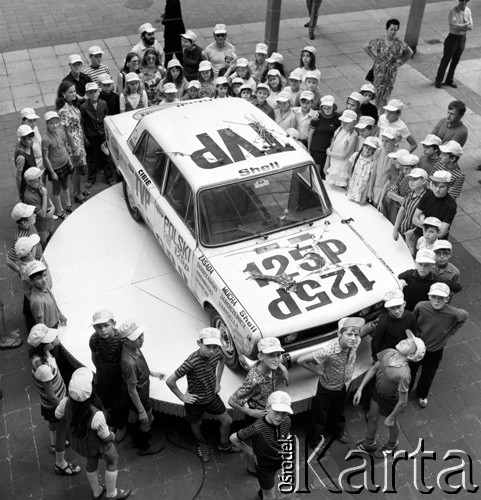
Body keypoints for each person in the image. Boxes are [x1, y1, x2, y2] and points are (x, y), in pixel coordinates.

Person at [55, 367, 131, 500]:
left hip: (82, 444)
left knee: (91, 462)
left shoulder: (65, 402)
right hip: (99, 446)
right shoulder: (96, 414)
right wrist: (113, 436)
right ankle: (111, 494)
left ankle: (97, 492)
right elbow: (105, 436)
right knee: (112, 460)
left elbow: (58, 415)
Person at [166, 327, 239, 462]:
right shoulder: (191, 362)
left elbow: (222, 360)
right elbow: (170, 381)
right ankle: (201, 442)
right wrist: (183, 397)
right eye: (208, 346)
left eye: (215, 347)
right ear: (199, 343)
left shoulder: (217, 353)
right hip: (195, 401)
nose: (211, 351)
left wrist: (218, 381)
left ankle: (224, 445)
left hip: (211, 396)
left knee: (227, 420)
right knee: (196, 423)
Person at [353, 330, 425, 457]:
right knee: (372, 417)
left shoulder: (404, 374)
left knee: (391, 424)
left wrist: (391, 417)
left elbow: (403, 401)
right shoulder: (389, 352)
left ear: (411, 356)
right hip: (377, 393)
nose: (405, 341)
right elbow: (374, 368)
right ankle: (369, 442)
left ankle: (392, 444)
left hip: (391, 401)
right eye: (407, 339)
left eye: (409, 344)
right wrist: (360, 388)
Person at [299, 317, 365, 447]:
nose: (353, 338)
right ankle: (314, 441)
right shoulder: (328, 351)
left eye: (356, 334)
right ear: (339, 334)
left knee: (339, 410)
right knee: (320, 416)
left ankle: (337, 431)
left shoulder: (356, 343)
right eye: (349, 334)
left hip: (345, 384)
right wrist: (318, 371)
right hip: (327, 387)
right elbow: (301, 360)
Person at [27, 323, 81, 476]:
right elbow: (51, 395)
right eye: (51, 340)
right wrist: (64, 407)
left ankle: (53, 443)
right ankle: (60, 463)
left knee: (52, 424)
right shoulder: (44, 369)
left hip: (48, 405)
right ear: (43, 346)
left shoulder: (37, 355)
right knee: (62, 431)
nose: (54, 340)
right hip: (55, 405)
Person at [412, 282, 468, 407]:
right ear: (429, 296)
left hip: (435, 350)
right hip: (417, 346)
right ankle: (404, 391)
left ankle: (422, 394)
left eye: (441, 298)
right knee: (410, 370)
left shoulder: (453, 313)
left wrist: (449, 333)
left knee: (428, 374)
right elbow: (413, 321)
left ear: (447, 299)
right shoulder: (421, 306)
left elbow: (464, 316)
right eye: (434, 297)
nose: (437, 300)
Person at [230, 391, 293, 500]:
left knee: (269, 484)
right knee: (270, 496)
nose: (279, 417)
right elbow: (233, 438)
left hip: (278, 460)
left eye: (284, 413)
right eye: (276, 411)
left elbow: (286, 434)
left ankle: (263, 491)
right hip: (264, 465)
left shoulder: (287, 420)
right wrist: (250, 451)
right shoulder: (257, 428)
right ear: (268, 407)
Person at [119, 319, 165, 455]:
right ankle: (144, 446)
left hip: (133, 392)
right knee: (148, 419)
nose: (141, 339)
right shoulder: (129, 363)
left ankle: (135, 437)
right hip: (139, 394)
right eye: (136, 338)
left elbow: (142, 366)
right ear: (125, 341)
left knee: (133, 417)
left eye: (141, 335)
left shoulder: (133, 348)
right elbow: (132, 390)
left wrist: (152, 373)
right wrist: (141, 411)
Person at [89, 309, 128, 443]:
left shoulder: (121, 339)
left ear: (114, 324)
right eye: (99, 327)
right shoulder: (94, 339)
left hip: (118, 373)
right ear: (94, 328)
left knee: (119, 401)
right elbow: (94, 356)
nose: (103, 330)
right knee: (105, 400)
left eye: (106, 326)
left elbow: (127, 358)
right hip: (104, 371)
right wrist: (100, 371)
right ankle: (111, 423)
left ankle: (121, 426)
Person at [228, 338, 289, 420]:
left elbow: (277, 361)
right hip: (258, 417)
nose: (276, 360)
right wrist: (251, 412)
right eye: (271, 355)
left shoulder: (271, 365)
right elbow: (232, 401)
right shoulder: (254, 380)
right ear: (260, 357)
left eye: (278, 355)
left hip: (270, 409)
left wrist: (283, 368)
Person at [364, 19, 413, 109]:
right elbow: (366, 47)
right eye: (392, 29)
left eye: (395, 30)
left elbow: (409, 52)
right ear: (387, 29)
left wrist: (401, 62)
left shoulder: (399, 43)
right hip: (379, 71)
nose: (393, 32)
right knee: (377, 93)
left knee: (385, 95)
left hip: (390, 72)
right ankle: (377, 112)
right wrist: (374, 58)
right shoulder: (380, 41)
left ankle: (382, 114)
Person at [56, 81, 89, 204]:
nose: (74, 94)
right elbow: (67, 131)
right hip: (73, 142)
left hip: (78, 138)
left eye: (74, 91)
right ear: (63, 94)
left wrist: (83, 137)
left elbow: (80, 97)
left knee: (78, 168)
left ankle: (77, 189)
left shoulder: (72, 104)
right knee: (78, 168)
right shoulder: (64, 110)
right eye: (70, 92)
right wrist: (74, 148)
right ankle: (78, 193)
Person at [81, 82, 115, 188]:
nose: (93, 94)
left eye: (95, 91)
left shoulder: (103, 104)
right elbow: (82, 122)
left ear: (99, 92)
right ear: (87, 94)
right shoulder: (84, 107)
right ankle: (91, 178)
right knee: (92, 157)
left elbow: (106, 116)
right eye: (90, 92)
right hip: (91, 135)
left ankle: (109, 177)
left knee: (106, 156)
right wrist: (84, 136)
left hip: (102, 133)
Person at [435, 0, 473, 88]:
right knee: (446, 60)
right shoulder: (453, 12)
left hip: (462, 38)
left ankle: (449, 79)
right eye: (461, 1)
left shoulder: (468, 11)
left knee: (455, 61)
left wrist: (460, 25)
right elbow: (454, 27)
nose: (463, 3)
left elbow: (471, 27)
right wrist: (465, 25)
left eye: (465, 1)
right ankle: (438, 80)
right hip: (453, 38)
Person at [42, 111, 73, 219]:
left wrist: (69, 160)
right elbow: (45, 157)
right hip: (55, 168)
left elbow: (65, 146)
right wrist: (52, 172)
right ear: (47, 124)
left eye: (56, 122)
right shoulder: (45, 139)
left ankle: (68, 204)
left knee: (65, 185)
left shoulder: (60, 132)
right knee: (56, 189)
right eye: (51, 123)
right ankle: (60, 211)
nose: (54, 125)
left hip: (65, 164)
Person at [371, 290, 417, 360]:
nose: (396, 311)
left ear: (404, 304)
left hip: (403, 351)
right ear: (388, 308)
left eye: (398, 306)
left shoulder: (411, 316)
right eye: (392, 308)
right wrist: (376, 357)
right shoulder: (383, 322)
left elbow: (414, 335)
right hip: (387, 353)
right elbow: (376, 342)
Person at [412, 170, 457, 241]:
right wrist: (429, 230)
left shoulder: (451, 205)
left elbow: (441, 233)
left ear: (448, 187)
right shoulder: (427, 194)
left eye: (441, 187)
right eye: (435, 185)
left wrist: (422, 223)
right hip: (420, 236)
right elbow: (414, 219)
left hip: (437, 242)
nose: (437, 189)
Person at [393, 167, 428, 251]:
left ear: (423, 181)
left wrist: (413, 232)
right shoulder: (411, 193)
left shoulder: (426, 198)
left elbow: (426, 220)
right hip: (404, 230)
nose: (411, 182)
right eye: (410, 179)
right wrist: (395, 229)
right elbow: (402, 210)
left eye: (415, 179)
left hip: (414, 235)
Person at [21, 167, 55, 248]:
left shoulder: (39, 184)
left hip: (49, 218)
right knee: (43, 241)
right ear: (29, 182)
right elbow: (42, 215)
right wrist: (44, 195)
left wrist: (53, 206)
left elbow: (48, 197)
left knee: (51, 233)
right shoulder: (29, 197)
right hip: (41, 225)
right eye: (37, 181)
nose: (40, 181)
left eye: (40, 178)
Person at [27, 259, 66, 327]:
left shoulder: (45, 286)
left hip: (55, 322)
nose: (44, 280)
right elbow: (41, 325)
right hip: (49, 328)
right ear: (31, 281)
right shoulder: (37, 301)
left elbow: (53, 301)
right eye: (39, 278)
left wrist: (59, 314)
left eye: (45, 275)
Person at [325, 110, 358, 188]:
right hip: (332, 164)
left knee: (338, 189)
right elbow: (331, 147)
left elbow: (344, 155)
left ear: (354, 122)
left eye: (346, 123)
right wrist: (327, 163)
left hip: (342, 167)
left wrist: (329, 153)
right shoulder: (339, 129)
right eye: (342, 122)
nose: (343, 124)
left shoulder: (354, 135)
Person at [367, 127, 399, 206]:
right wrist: (370, 190)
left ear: (394, 141)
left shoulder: (396, 156)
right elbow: (373, 172)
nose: (384, 144)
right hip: (375, 188)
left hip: (386, 191)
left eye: (387, 141)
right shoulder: (379, 151)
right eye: (383, 140)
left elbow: (393, 178)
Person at [346, 136, 380, 204]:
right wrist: (348, 188)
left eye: (370, 149)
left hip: (361, 191)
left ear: (373, 151)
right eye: (366, 147)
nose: (367, 150)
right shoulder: (355, 156)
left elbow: (369, 180)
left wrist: (364, 196)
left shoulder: (372, 162)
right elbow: (350, 172)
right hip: (351, 188)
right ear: (363, 146)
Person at [15, 124, 37, 197]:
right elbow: (18, 176)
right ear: (22, 140)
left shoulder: (29, 146)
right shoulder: (21, 157)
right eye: (29, 139)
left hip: (34, 179)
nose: (32, 141)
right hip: (28, 186)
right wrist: (20, 193)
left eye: (32, 138)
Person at [161, 0, 185, 64]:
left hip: (172, 34)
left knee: (170, 56)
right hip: (174, 33)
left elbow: (174, 17)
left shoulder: (172, 1)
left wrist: (165, 19)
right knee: (178, 55)